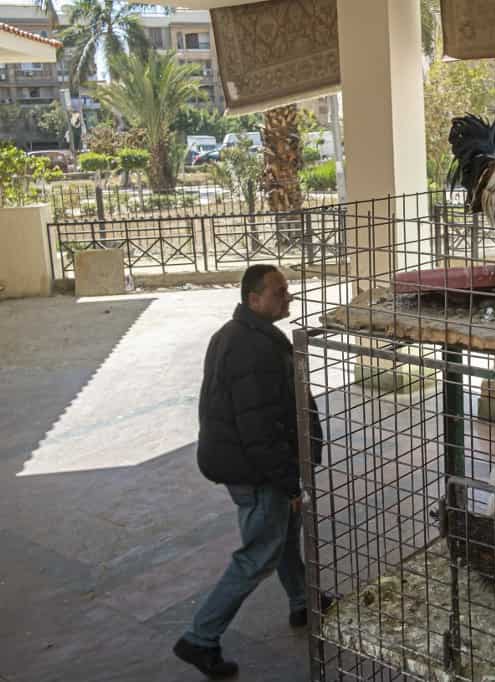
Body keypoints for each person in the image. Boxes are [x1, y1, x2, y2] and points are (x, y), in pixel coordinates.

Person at [173, 264, 324, 679]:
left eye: (287, 290)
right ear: (253, 299)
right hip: (254, 470)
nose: (287, 298)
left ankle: (301, 602)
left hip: (250, 463)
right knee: (258, 555)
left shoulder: (247, 334)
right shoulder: (248, 347)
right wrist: (287, 479)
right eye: (279, 292)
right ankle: (200, 638)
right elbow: (257, 428)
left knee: (283, 534)